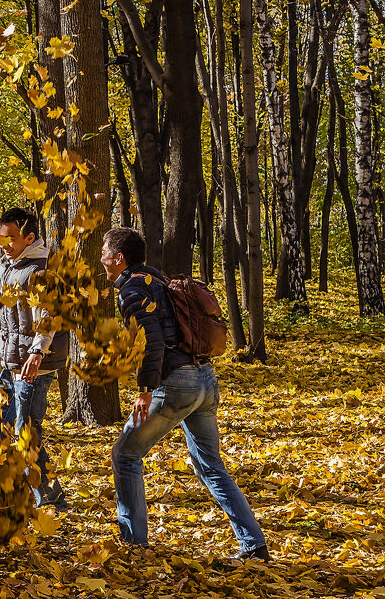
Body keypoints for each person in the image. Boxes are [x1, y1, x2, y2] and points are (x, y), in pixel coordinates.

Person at [101, 227, 269, 561]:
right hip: (205, 380)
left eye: (105, 253)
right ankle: (254, 545)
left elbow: (151, 341)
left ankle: (134, 546)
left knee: (125, 455)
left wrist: (146, 390)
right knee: (211, 466)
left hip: (176, 384)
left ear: (119, 258)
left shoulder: (133, 289)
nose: (102, 260)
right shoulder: (160, 282)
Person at [0, 207, 70, 510]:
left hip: (36, 364)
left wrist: (37, 352)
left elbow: (46, 317)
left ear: (29, 237)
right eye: (0, 237)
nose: (3, 244)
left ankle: (50, 498)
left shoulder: (40, 270)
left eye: (9, 238)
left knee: (25, 433)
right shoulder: (5, 266)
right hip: (12, 363)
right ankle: (10, 490)